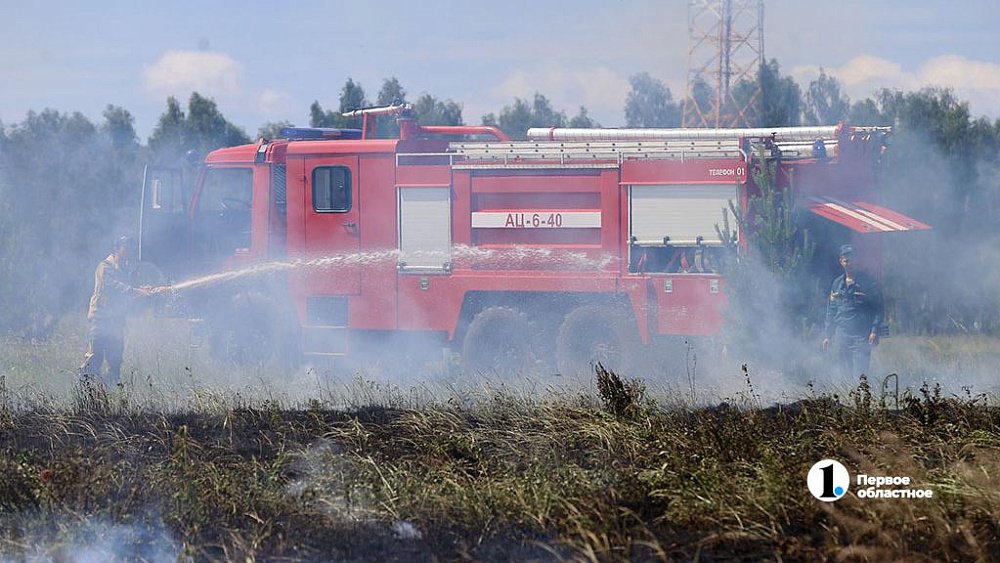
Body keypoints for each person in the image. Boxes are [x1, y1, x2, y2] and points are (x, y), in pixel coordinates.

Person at [78, 236, 158, 385]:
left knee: (115, 361)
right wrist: (136, 291)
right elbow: (114, 286)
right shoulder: (105, 267)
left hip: (116, 321)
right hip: (101, 320)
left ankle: (109, 391)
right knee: (94, 359)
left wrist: (143, 289)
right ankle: (84, 393)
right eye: (126, 248)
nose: (130, 252)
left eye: (131, 249)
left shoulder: (124, 269)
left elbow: (130, 287)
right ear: (116, 249)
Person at [822, 244, 884, 378]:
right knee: (844, 373)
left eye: (852, 259)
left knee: (861, 374)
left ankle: (862, 392)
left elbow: (878, 308)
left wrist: (874, 331)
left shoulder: (868, 282)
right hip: (842, 334)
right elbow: (831, 310)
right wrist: (828, 335)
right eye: (846, 260)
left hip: (861, 334)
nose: (850, 263)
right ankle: (847, 392)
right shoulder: (837, 284)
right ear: (841, 261)